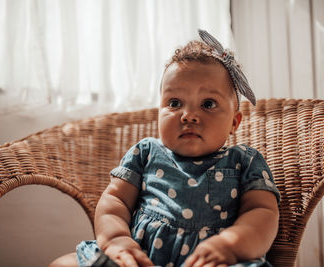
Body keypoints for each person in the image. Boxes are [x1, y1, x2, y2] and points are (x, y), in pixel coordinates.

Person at [50, 29, 280, 267]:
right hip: (139, 259)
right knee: (62, 264)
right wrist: (118, 241)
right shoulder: (146, 153)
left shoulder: (244, 161)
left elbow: (262, 213)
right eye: (174, 103)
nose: (188, 115)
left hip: (213, 262)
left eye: (208, 104)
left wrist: (230, 245)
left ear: (234, 122)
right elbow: (115, 203)